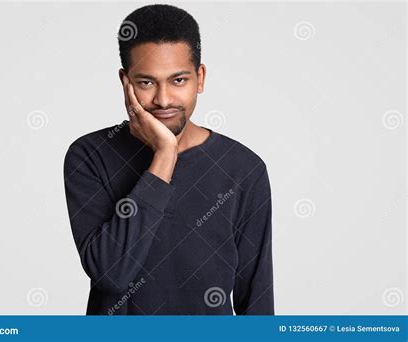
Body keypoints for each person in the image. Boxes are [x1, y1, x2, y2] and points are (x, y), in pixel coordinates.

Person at [63, 4, 274, 315]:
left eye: (178, 80)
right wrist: (165, 154)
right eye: (146, 82)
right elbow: (112, 275)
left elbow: (256, 301)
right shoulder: (89, 156)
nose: (163, 99)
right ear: (126, 82)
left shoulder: (244, 168)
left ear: (199, 78)